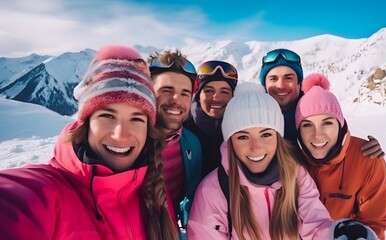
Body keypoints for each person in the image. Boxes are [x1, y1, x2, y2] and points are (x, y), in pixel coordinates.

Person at [0, 45, 178, 240]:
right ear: (85, 124)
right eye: (108, 115)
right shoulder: (49, 193)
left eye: (136, 119)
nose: (121, 134)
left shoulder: (156, 194)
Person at [186, 82, 377, 240]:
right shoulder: (214, 190)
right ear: (230, 141)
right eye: (243, 137)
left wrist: (335, 233)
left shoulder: (294, 173)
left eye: (266, 134)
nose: (256, 147)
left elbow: (315, 222)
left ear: (279, 138)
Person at [295, 73, 386, 239]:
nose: (318, 135)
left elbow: (374, 222)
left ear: (340, 126)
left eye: (327, 123)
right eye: (307, 125)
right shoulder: (290, 160)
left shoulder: (366, 159)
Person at [259, 48, 385, 158]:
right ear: (264, 85)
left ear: (299, 83)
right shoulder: (254, 116)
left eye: (288, 78)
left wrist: (361, 149)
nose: (281, 85)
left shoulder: (315, 110)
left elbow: (338, 139)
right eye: (273, 78)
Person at [147, 50, 202, 229]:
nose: (176, 100)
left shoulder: (191, 145)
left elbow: (191, 197)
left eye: (185, 93)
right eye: (166, 90)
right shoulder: (127, 139)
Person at [184, 60, 238, 177]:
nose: (216, 98)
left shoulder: (239, 131)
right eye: (208, 90)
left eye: (224, 92)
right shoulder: (182, 129)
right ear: (198, 96)